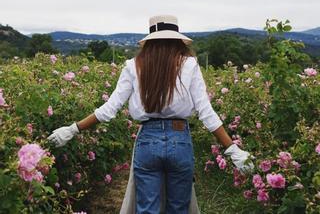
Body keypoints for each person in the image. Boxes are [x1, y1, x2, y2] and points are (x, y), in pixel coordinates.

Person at [47, 15, 254, 214]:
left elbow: (109, 109)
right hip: (179, 139)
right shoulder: (189, 65)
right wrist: (232, 149)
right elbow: (206, 112)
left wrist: (72, 129)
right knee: (178, 209)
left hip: (148, 140)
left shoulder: (133, 66)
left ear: (149, 41)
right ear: (178, 41)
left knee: (147, 209)